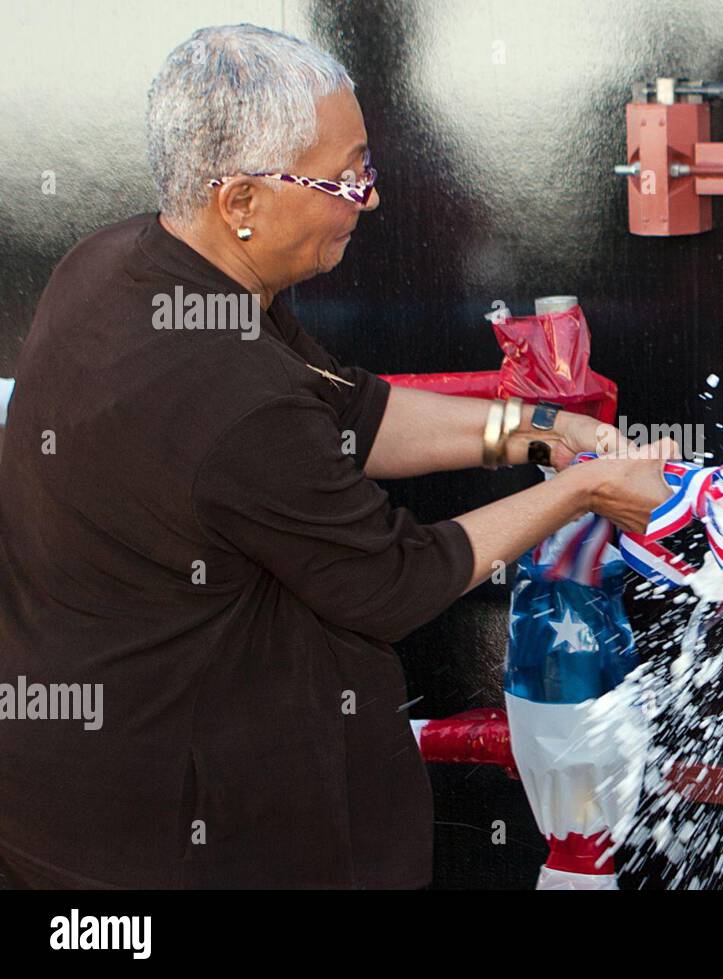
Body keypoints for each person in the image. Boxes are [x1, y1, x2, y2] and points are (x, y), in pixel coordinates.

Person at [0, 24, 672, 889]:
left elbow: (346, 405)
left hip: (61, 802)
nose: (371, 199)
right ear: (240, 201)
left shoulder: (116, 265)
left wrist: (540, 429)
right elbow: (396, 579)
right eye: (345, 177)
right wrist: (583, 491)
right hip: (182, 841)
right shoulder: (230, 400)